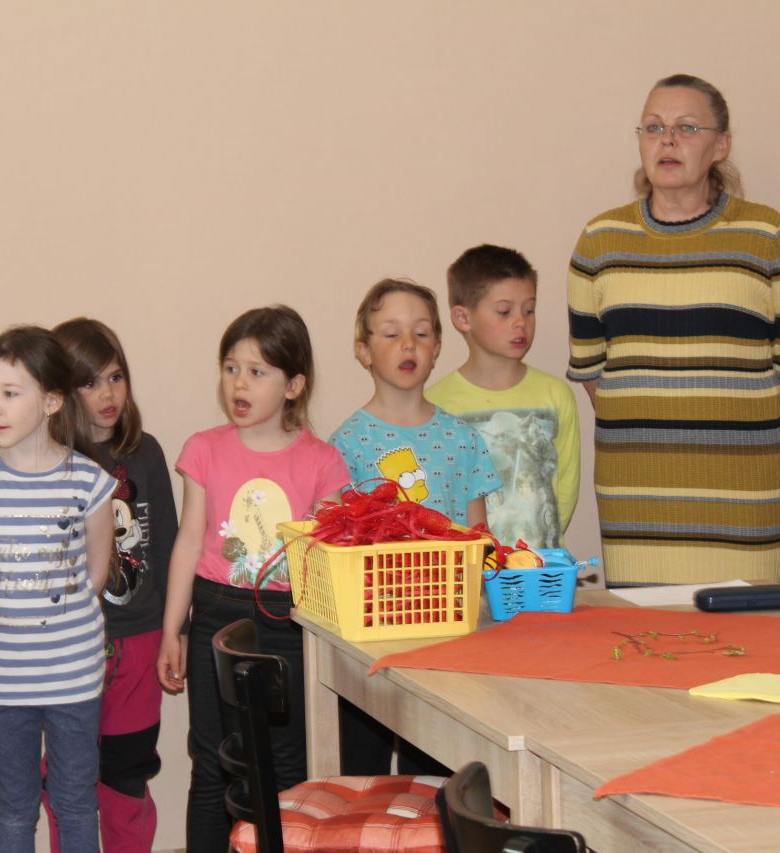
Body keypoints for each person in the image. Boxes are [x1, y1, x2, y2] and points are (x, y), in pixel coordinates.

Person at [566, 73, 780, 586]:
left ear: (720, 145)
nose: (667, 140)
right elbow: (593, 374)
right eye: (653, 127)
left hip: (741, 496)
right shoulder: (599, 241)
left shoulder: (769, 235)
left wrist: (730, 437)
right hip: (636, 497)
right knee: (643, 630)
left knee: (741, 630)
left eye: (686, 127)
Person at [156, 305, 350, 852]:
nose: (239, 383)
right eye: (231, 368)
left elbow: (324, 563)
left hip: (287, 624)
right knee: (211, 760)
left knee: (285, 764)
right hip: (215, 615)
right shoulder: (204, 448)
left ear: (293, 386)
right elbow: (188, 543)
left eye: (257, 372)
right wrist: (173, 630)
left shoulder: (323, 462)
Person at [0, 326, 116, 853]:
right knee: (14, 806)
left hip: (73, 676)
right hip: (2, 677)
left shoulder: (88, 481)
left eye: (10, 393)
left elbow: (96, 573)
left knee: (75, 800)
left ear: (50, 401)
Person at [330, 279, 499, 777]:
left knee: (435, 774)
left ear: (438, 347)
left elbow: (480, 539)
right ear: (363, 350)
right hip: (371, 639)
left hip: (446, 636)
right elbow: (338, 542)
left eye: (421, 334)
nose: (408, 345)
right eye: (391, 334)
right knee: (363, 775)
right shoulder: (344, 444)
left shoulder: (463, 439)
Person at [49, 318, 178, 853]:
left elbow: (167, 545)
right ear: (59, 393)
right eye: (89, 382)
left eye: (115, 377)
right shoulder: (49, 464)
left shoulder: (146, 452)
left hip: (139, 641)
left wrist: (177, 631)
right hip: (67, 649)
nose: (107, 394)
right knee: (66, 779)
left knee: (127, 773)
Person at [427, 244, 580, 549]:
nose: (521, 322)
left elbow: (566, 485)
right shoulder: (436, 404)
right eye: (504, 311)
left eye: (529, 310)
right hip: (469, 569)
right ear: (462, 318)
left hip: (541, 566)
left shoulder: (555, 395)